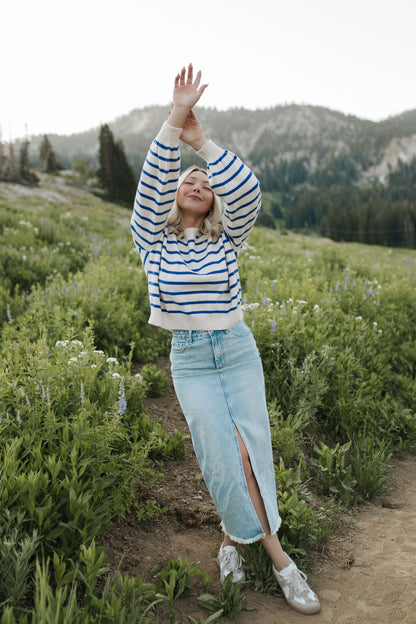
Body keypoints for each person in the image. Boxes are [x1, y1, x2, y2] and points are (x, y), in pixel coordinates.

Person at [130, 64, 320, 616]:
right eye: (188, 179)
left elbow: (248, 189)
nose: (197, 182)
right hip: (190, 360)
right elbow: (149, 186)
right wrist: (172, 122)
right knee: (218, 458)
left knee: (245, 451)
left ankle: (279, 560)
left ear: (215, 204)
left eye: (206, 183)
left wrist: (203, 143)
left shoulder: (228, 239)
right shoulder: (152, 241)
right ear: (175, 195)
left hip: (236, 351)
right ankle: (229, 540)